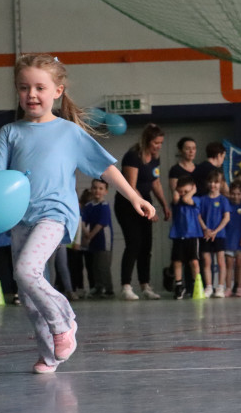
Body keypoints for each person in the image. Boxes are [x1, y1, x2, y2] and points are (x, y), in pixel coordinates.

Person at [0, 53, 154, 373]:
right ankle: (50, 355)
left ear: (57, 91)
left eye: (40, 88)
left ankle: (63, 324)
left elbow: (106, 168)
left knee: (26, 271)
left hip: (55, 215)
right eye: (24, 87)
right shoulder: (9, 133)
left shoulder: (69, 133)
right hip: (20, 219)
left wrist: (134, 197)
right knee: (29, 294)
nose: (31, 94)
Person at [115, 123, 170, 300]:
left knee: (146, 246)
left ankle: (145, 285)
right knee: (134, 243)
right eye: (156, 143)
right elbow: (131, 187)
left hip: (146, 203)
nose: (159, 146)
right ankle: (126, 286)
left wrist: (164, 205)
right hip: (128, 204)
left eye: (161, 143)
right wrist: (147, 208)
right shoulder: (133, 156)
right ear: (147, 140)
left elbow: (155, 183)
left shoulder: (154, 158)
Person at [198, 169, 232, 297]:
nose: (213, 185)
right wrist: (206, 229)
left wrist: (216, 231)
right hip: (206, 234)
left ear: (221, 183)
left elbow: (226, 217)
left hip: (219, 235)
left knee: (221, 261)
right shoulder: (203, 199)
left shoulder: (223, 200)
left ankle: (220, 287)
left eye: (216, 182)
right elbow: (199, 216)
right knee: (207, 261)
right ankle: (209, 287)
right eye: (211, 182)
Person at [169, 175, 202, 300]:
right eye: (180, 191)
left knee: (194, 261)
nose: (183, 194)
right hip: (178, 235)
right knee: (177, 261)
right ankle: (179, 285)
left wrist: (192, 191)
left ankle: (196, 284)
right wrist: (176, 193)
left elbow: (188, 199)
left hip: (192, 236)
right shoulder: (176, 202)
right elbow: (177, 200)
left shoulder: (196, 200)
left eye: (186, 192)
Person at [82, 178, 115, 297]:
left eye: (101, 188)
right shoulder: (89, 205)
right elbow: (82, 219)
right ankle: (98, 287)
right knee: (94, 265)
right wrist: (86, 233)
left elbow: (101, 224)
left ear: (106, 191)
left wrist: (89, 235)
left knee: (103, 265)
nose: (97, 191)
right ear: (91, 189)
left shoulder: (104, 206)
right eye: (95, 188)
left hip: (103, 240)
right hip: (93, 240)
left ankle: (108, 289)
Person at [224, 179, 241, 297]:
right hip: (228, 239)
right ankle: (228, 288)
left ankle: (240, 287)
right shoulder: (226, 204)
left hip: (240, 239)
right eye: (233, 194)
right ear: (230, 193)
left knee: (240, 264)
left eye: (239, 194)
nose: (236, 197)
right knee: (229, 264)